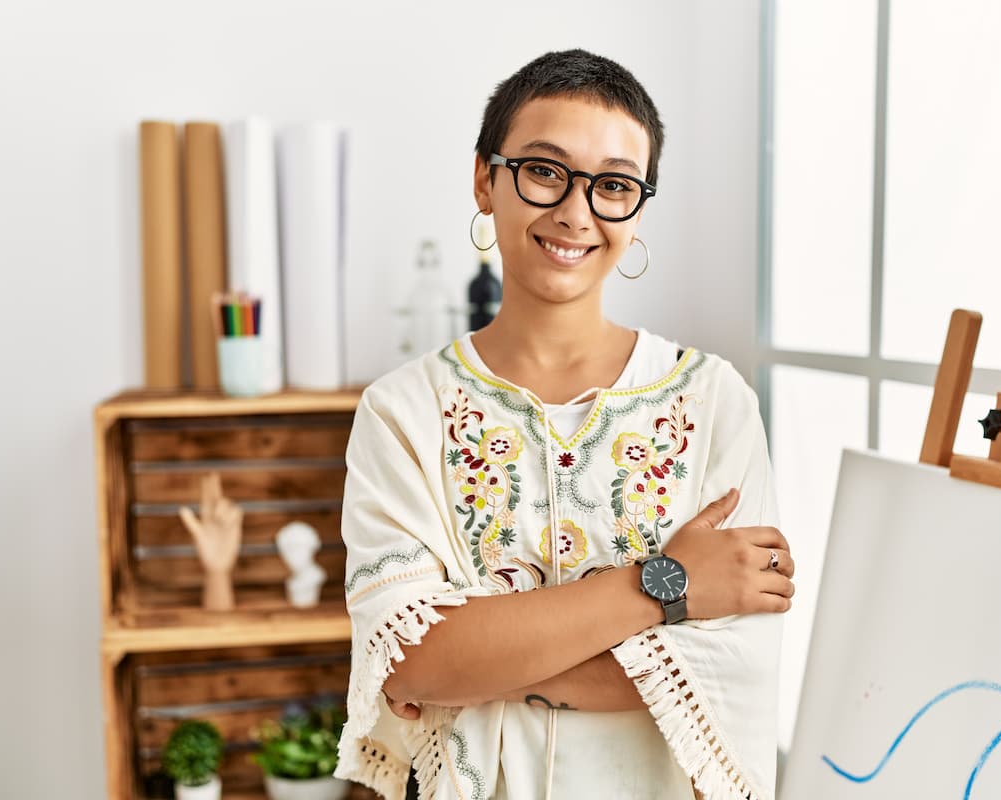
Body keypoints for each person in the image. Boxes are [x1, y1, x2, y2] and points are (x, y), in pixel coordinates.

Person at [334, 49, 796, 800]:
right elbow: (412, 660)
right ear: (486, 178)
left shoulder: (714, 402)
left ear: (637, 209)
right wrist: (665, 586)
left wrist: (487, 664)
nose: (576, 213)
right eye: (546, 171)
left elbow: (735, 669)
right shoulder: (402, 413)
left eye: (613, 185)